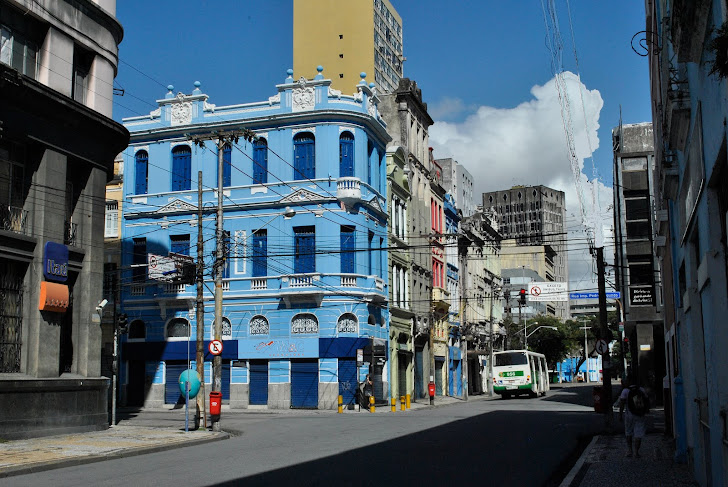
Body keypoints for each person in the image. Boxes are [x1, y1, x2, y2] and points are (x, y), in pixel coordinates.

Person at [618, 374, 649, 458]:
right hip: (640, 414)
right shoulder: (641, 390)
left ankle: (629, 450)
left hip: (629, 415)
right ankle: (636, 452)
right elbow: (646, 400)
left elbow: (622, 403)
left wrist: (620, 414)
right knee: (638, 433)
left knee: (628, 432)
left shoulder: (625, 391)